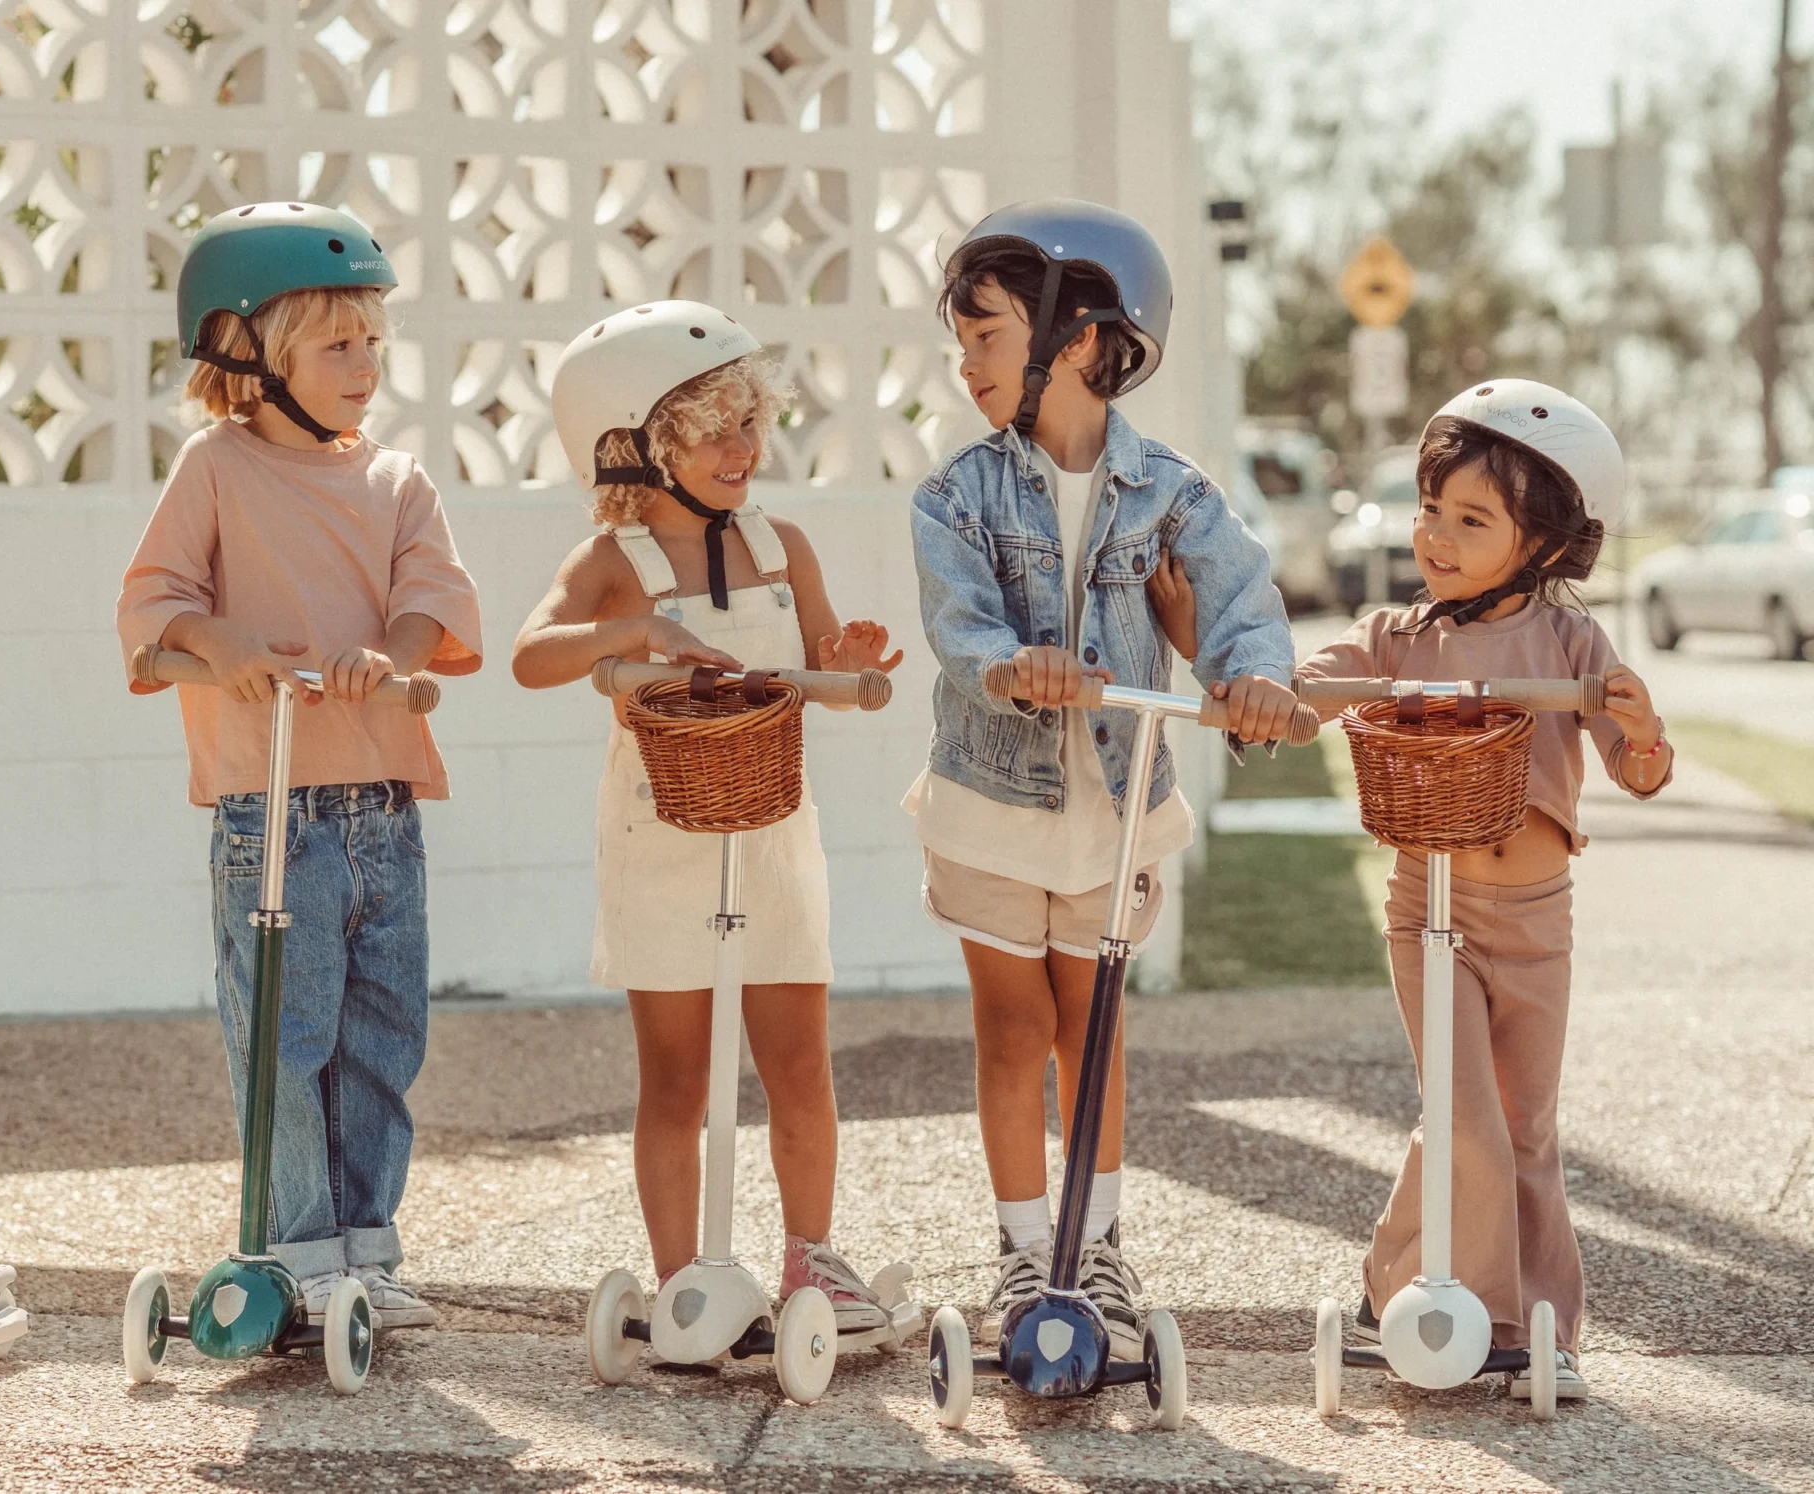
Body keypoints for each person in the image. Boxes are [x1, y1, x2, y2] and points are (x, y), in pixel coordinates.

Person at [907, 201, 1299, 1356]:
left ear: (1076, 341)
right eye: (964, 340)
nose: (965, 361)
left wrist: (1254, 679)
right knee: (1008, 1024)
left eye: (984, 335)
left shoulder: (1175, 493)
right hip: (989, 803)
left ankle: (1099, 1248)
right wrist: (1009, 666)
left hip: (1114, 811)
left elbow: (1239, 606)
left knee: (1096, 1027)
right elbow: (959, 625)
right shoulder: (954, 495)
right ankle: (1026, 1249)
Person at [117, 203, 483, 1330]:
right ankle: (299, 1251)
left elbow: (432, 599)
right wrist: (219, 645)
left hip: (380, 807)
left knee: (382, 1036)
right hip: (268, 809)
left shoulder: (397, 481)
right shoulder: (215, 470)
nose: (364, 365)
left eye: (372, 341)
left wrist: (398, 655)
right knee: (287, 1038)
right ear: (250, 354)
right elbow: (154, 610)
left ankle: (366, 1252)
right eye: (336, 344)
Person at [1272, 379, 1669, 1400]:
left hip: (1535, 922)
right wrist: (1284, 700)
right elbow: (1319, 682)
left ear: (1542, 544)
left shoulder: (1571, 645)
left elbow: (1638, 769)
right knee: (1462, 1115)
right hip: (1427, 909)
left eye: (1471, 520)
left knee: (1523, 1126)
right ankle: (1462, 1313)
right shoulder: (1398, 635)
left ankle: (1536, 1325)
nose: (1436, 537)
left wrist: (1643, 727)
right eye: (1429, 510)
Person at [513, 300, 906, 1330]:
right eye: (714, 429)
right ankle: (684, 1275)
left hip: (771, 832)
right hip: (659, 839)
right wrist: (632, 630)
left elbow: (821, 667)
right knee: (677, 1078)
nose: (744, 448)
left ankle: (811, 1260)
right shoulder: (613, 560)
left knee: (798, 1064)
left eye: (750, 422)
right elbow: (528, 656)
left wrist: (850, 665)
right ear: (638, 447)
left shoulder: (783, 549)